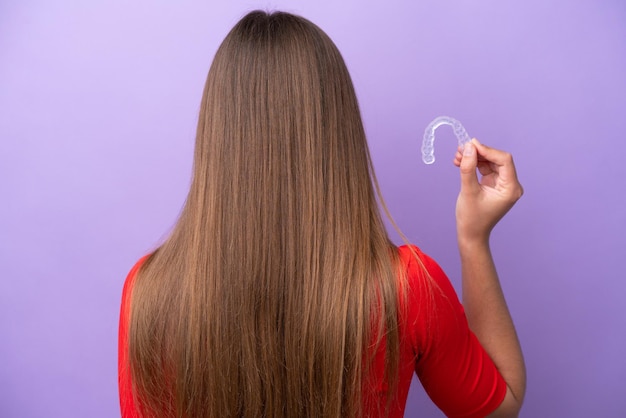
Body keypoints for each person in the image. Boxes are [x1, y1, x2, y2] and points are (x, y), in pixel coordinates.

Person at [118, 10, 526, 418]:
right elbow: (500, 408)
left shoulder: (147, 293)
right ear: (339, 133)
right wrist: (474, 240)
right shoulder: (407, 287)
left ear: (216, 134)